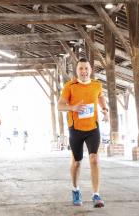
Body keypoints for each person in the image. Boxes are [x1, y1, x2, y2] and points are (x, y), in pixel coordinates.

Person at [58, 58, 108, 208]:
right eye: (81, 69)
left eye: (86, 68)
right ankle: (75, 190)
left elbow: (100, 96)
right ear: (77, 70)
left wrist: (105, 110)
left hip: (93, 128)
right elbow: (60, 105)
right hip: (75, 129)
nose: (84, 71)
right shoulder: (70, 86)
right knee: (77, 162)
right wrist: (72, 108)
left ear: (90, 70)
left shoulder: (97, 85)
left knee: (94, 159)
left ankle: (96, 195)